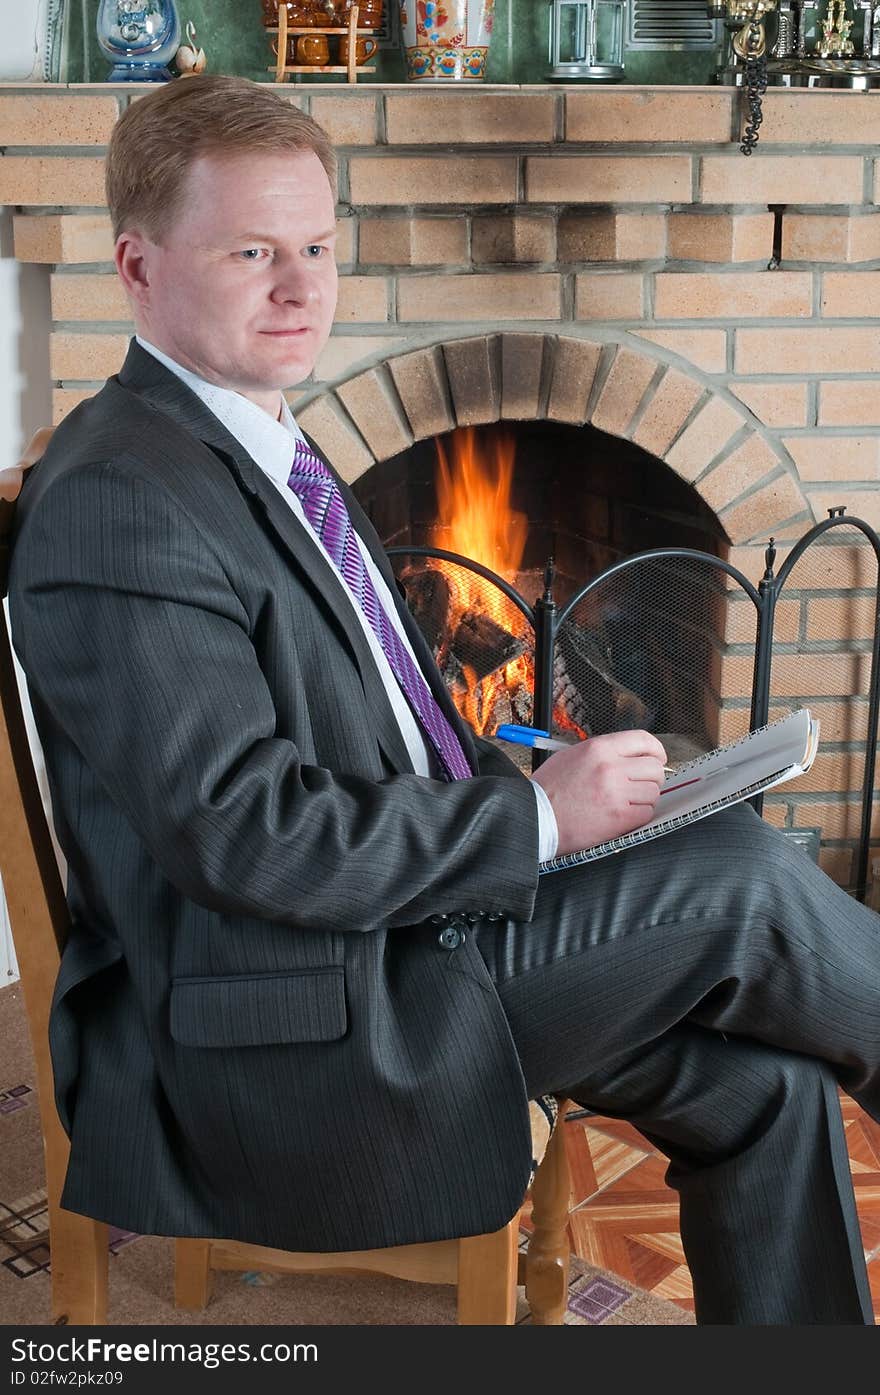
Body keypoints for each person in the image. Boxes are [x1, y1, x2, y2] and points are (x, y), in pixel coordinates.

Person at [8, 74, 880, 1327]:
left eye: (316, 246)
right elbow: (243, 831)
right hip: (295, 1024)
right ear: (136, 267)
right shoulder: (122, 495)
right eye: (253, 252)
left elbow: (375, 721)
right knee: (739, 881)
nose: (303, 288)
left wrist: (541, 789)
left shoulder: (253, 443)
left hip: (397, 935)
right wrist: (536, 829)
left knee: (767, 1085)